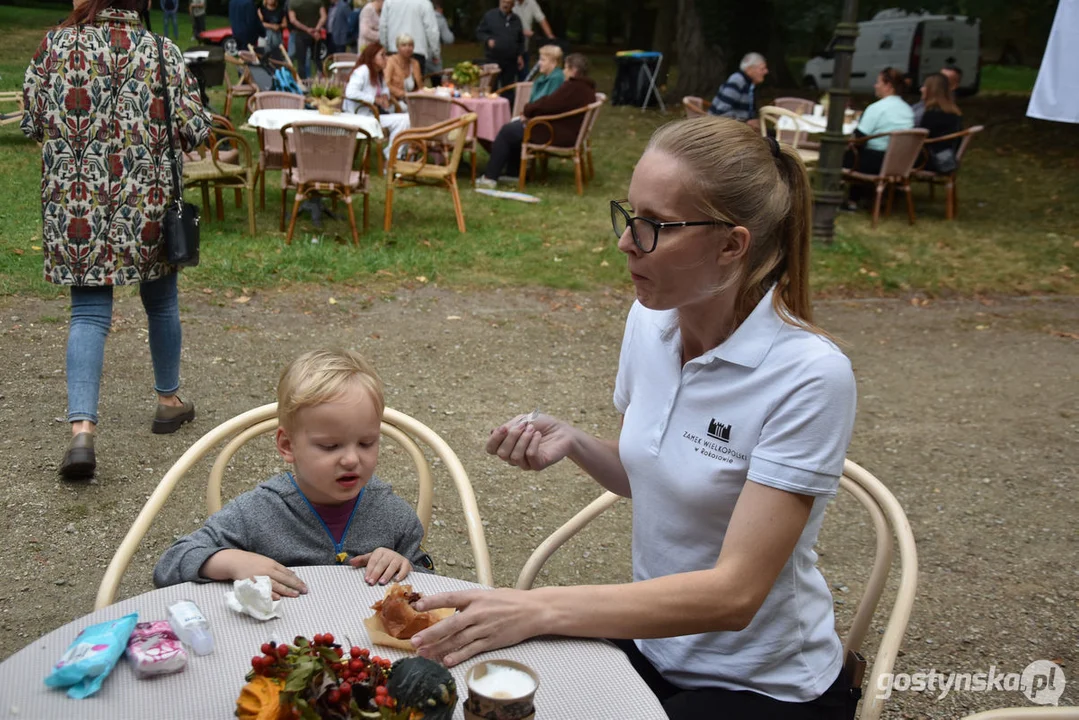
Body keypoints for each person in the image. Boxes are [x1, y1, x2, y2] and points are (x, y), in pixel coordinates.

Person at [412, 117, 858, 720]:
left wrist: (539, 607)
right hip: (652, 649)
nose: (626, 242)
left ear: (732, 244)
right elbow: (649, 473)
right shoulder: (651, 320)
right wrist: (575, 441)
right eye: (629, 216)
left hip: (760, 686)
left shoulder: (808, 376)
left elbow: (735, 595)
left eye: (655, 226)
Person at [22, 0, 210, 481]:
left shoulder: (54, 46)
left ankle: (82, 432)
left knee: (87, 313)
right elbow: (194, 129)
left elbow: (32, 121)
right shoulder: (164, 51)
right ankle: (168, 401)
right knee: (161, 301)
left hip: (77, 205)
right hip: (144, 203)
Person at [154, 349, 432, 595]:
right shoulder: (257, 513)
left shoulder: (393, 515)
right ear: (287, 445)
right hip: (279, 648)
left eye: (366, 443)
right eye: (330, 445)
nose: (350, 459)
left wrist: (405, 566)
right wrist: (231, 561)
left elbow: (435, 585)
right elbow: (170, 565)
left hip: (369, 649)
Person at [476, 52, 594, 189]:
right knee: (515, 129)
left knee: (507, 131)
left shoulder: (572, 87)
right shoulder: (586, 88)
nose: (564, 71)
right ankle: (513, 173)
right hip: (566, 130)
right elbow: (553, 104)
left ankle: (490, 177)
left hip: (555, 133)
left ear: (573, 70)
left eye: (566, 68)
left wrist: (528, 111)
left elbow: (549, 104)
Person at [842, 67, 914, 205]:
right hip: (901, 162)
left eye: (878, 82)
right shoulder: (908, 110)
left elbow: (859, 137)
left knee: (844, 155)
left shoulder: (877, 108)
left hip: (876, 162)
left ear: (888, 86)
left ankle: (851, 200)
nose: (875, 86)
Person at [344, 41, 410, 159]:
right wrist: (374, 100)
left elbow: (384, 88)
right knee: (404, 120)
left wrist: (385, 96)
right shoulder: (363, 71)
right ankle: (393, 157)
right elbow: (350, 92)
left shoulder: (378, 73)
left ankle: (394, 155)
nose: (386, 58)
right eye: (382, 55)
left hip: (373, 115)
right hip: (359, 117)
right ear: (372, 57)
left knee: (406, 119)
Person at [476, 0, 525, 97]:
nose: (506, 5)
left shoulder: (516, 20)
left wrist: (520, 55)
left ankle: (507, 109)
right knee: (490, 87)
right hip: (493, 59)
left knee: (508, 89)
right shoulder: (490, 16)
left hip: (510, 61)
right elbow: (480, 32)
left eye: (508, 3)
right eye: (504, 2)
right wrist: (488, 39)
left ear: (513, 4)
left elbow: (520, 40)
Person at [917, 72, 963, 173]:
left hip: (931, 161)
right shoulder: (954, 112)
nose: (921, 89)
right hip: (947, 159)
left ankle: (894, 187)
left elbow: (919, 138)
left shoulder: (932, 114)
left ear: (932, 90)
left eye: (924, 86)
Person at [378, 0, 439, 75]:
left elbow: (383, 27)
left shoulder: (389, 2)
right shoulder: (424, 3)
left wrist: (384, 48)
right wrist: (435, 53)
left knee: (394, 84)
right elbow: (432, 30)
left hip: (394, 50)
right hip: (417, 51)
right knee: (417, 85)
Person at [709, 52, 768, 125]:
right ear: (749, 69)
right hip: (721, 129)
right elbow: (721, 112)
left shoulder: (750, 85)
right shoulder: (737, 80)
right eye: (762, 68)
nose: (766, 71)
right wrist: (746, 122)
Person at [512, 0, 555, 81]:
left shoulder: (531, 3)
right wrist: (522, 31)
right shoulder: (509, 3)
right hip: (511, 46)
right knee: (508, 78)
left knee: (525, 78)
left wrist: (551, 38)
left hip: (524, 47)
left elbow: (542, 19)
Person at [288, 0, 327, 79]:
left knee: (301, 61)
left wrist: (307, 29)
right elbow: (324, 17)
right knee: (317, 59)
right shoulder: (318, 2)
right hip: (316, 34)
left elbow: (292, 20)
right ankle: (321, 80)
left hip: (301, 34)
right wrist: (316, 29)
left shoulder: (293, 2)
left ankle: (303, 82)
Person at [385, 32, 423, 103]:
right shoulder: (391, 61)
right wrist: (404, 94)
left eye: (410, 45)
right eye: (404, 45)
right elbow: (386, 84)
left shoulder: (415, 63)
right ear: (398, 47)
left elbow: (420, 86)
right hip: (395, 100)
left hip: (413, 100)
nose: (407, 48)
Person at [426, 0, 455, 84]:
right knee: (437, 82)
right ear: (440, 9)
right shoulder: (440, 19)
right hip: (434, 57)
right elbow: (448, 39)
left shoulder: (418, 17)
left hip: (418, 53)